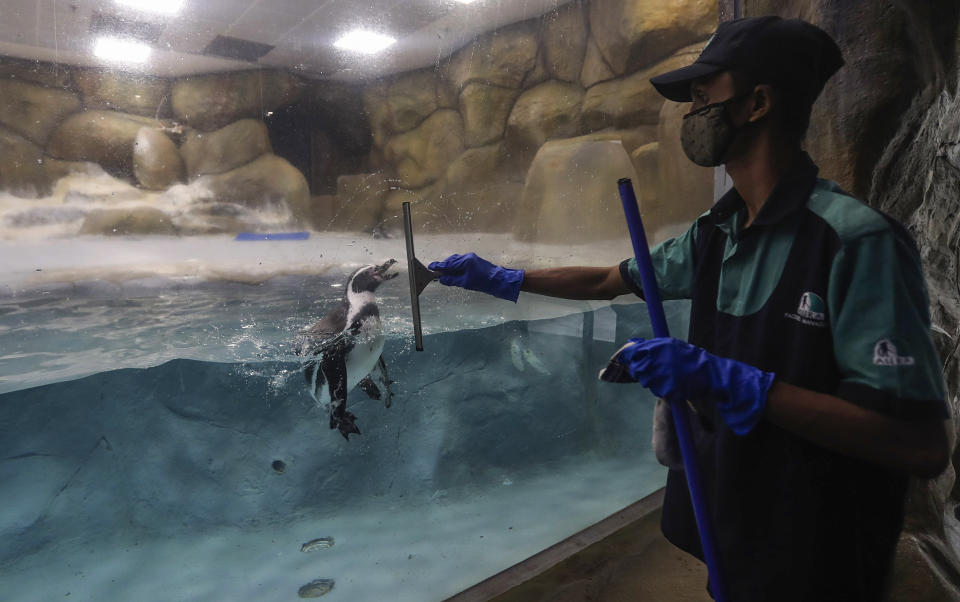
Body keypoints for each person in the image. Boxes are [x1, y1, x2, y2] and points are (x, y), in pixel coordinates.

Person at [427, 16, 952, 602]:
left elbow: (920, 444)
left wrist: (739, 384)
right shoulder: (716, 233)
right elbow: (609, 278)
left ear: (757, 103)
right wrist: (503, 278)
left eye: (703, 98)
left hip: (818, 548)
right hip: (734, 524)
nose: (690, 116)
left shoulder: (854, 241)